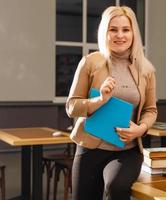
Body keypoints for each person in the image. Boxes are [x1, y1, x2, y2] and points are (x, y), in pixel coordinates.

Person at [65, 6, 157, 200]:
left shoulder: (146, 70)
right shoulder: (90, 62)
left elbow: (150, 110)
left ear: (134, 33)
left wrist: (141, 129)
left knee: (117, 186)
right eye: (113, 29)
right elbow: (71, 107)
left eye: (126, 29)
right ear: (104, 32)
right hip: (90, 147)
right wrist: (100, 100)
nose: (120, 35)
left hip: (127, 151)